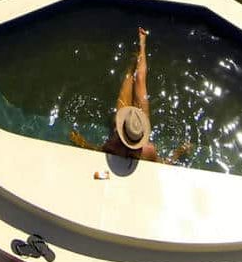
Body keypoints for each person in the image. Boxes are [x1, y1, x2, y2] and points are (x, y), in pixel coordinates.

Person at [70, 27, 191, 165]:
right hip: (139, 120)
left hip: (129, 118)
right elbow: (164, 164)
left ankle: (136, 56)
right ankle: (142, 47)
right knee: (139, 78)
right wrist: (179, 152)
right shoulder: (148, 150)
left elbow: (95, 150)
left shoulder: (113, 146)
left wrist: (81, 142)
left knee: (130, 75)